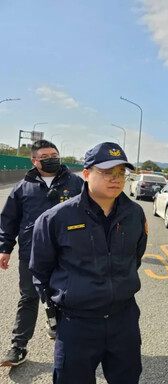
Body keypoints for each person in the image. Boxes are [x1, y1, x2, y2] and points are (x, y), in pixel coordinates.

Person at [29, 142, 148, 383]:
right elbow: (41, 271)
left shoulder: (135, 214)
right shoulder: (57, 218)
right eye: (106, 173)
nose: (115, 179)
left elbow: (135, 257)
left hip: (123, 320)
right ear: (86, 174)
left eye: (120, 173)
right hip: (76, 323)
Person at [0, 140, 83, 367]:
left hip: (67, 254)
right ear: (34, 161)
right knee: (28, 298)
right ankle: (18, 346)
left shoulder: (76, 184)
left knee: (67, 297)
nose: (51, 158)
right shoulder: (22, 188)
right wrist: (4, 249)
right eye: (45, 155)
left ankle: (67, 339)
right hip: (32, 254)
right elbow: (9, 220)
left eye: (54, 154)